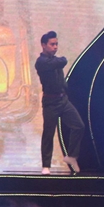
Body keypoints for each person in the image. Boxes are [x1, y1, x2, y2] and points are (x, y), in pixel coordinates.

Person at [35, 31, 85, 174]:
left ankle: (72, 156)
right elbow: (62, 61)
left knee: (78, 126)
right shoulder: (42, 62)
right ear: (44, 45)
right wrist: (61, 59)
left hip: (62, 100)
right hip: (50, 102)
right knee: (48, 133)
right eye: (52, 44)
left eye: (56, 44)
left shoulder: (54, 61)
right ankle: (46, 165)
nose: (55, 47)